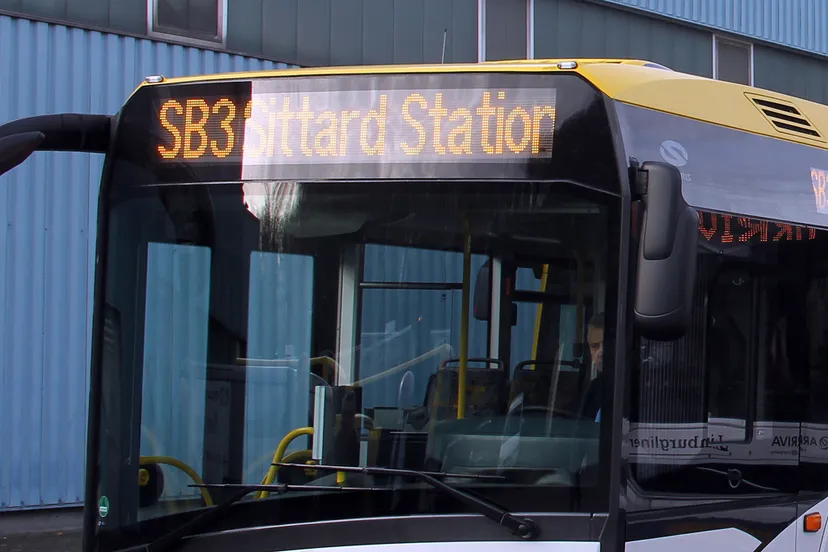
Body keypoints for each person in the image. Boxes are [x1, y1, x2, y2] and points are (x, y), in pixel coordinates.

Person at [579, 312, 604, 422]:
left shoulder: (639, 387)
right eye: (595, 346)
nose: (600, 352)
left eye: (606, 344)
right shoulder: (594, 388)